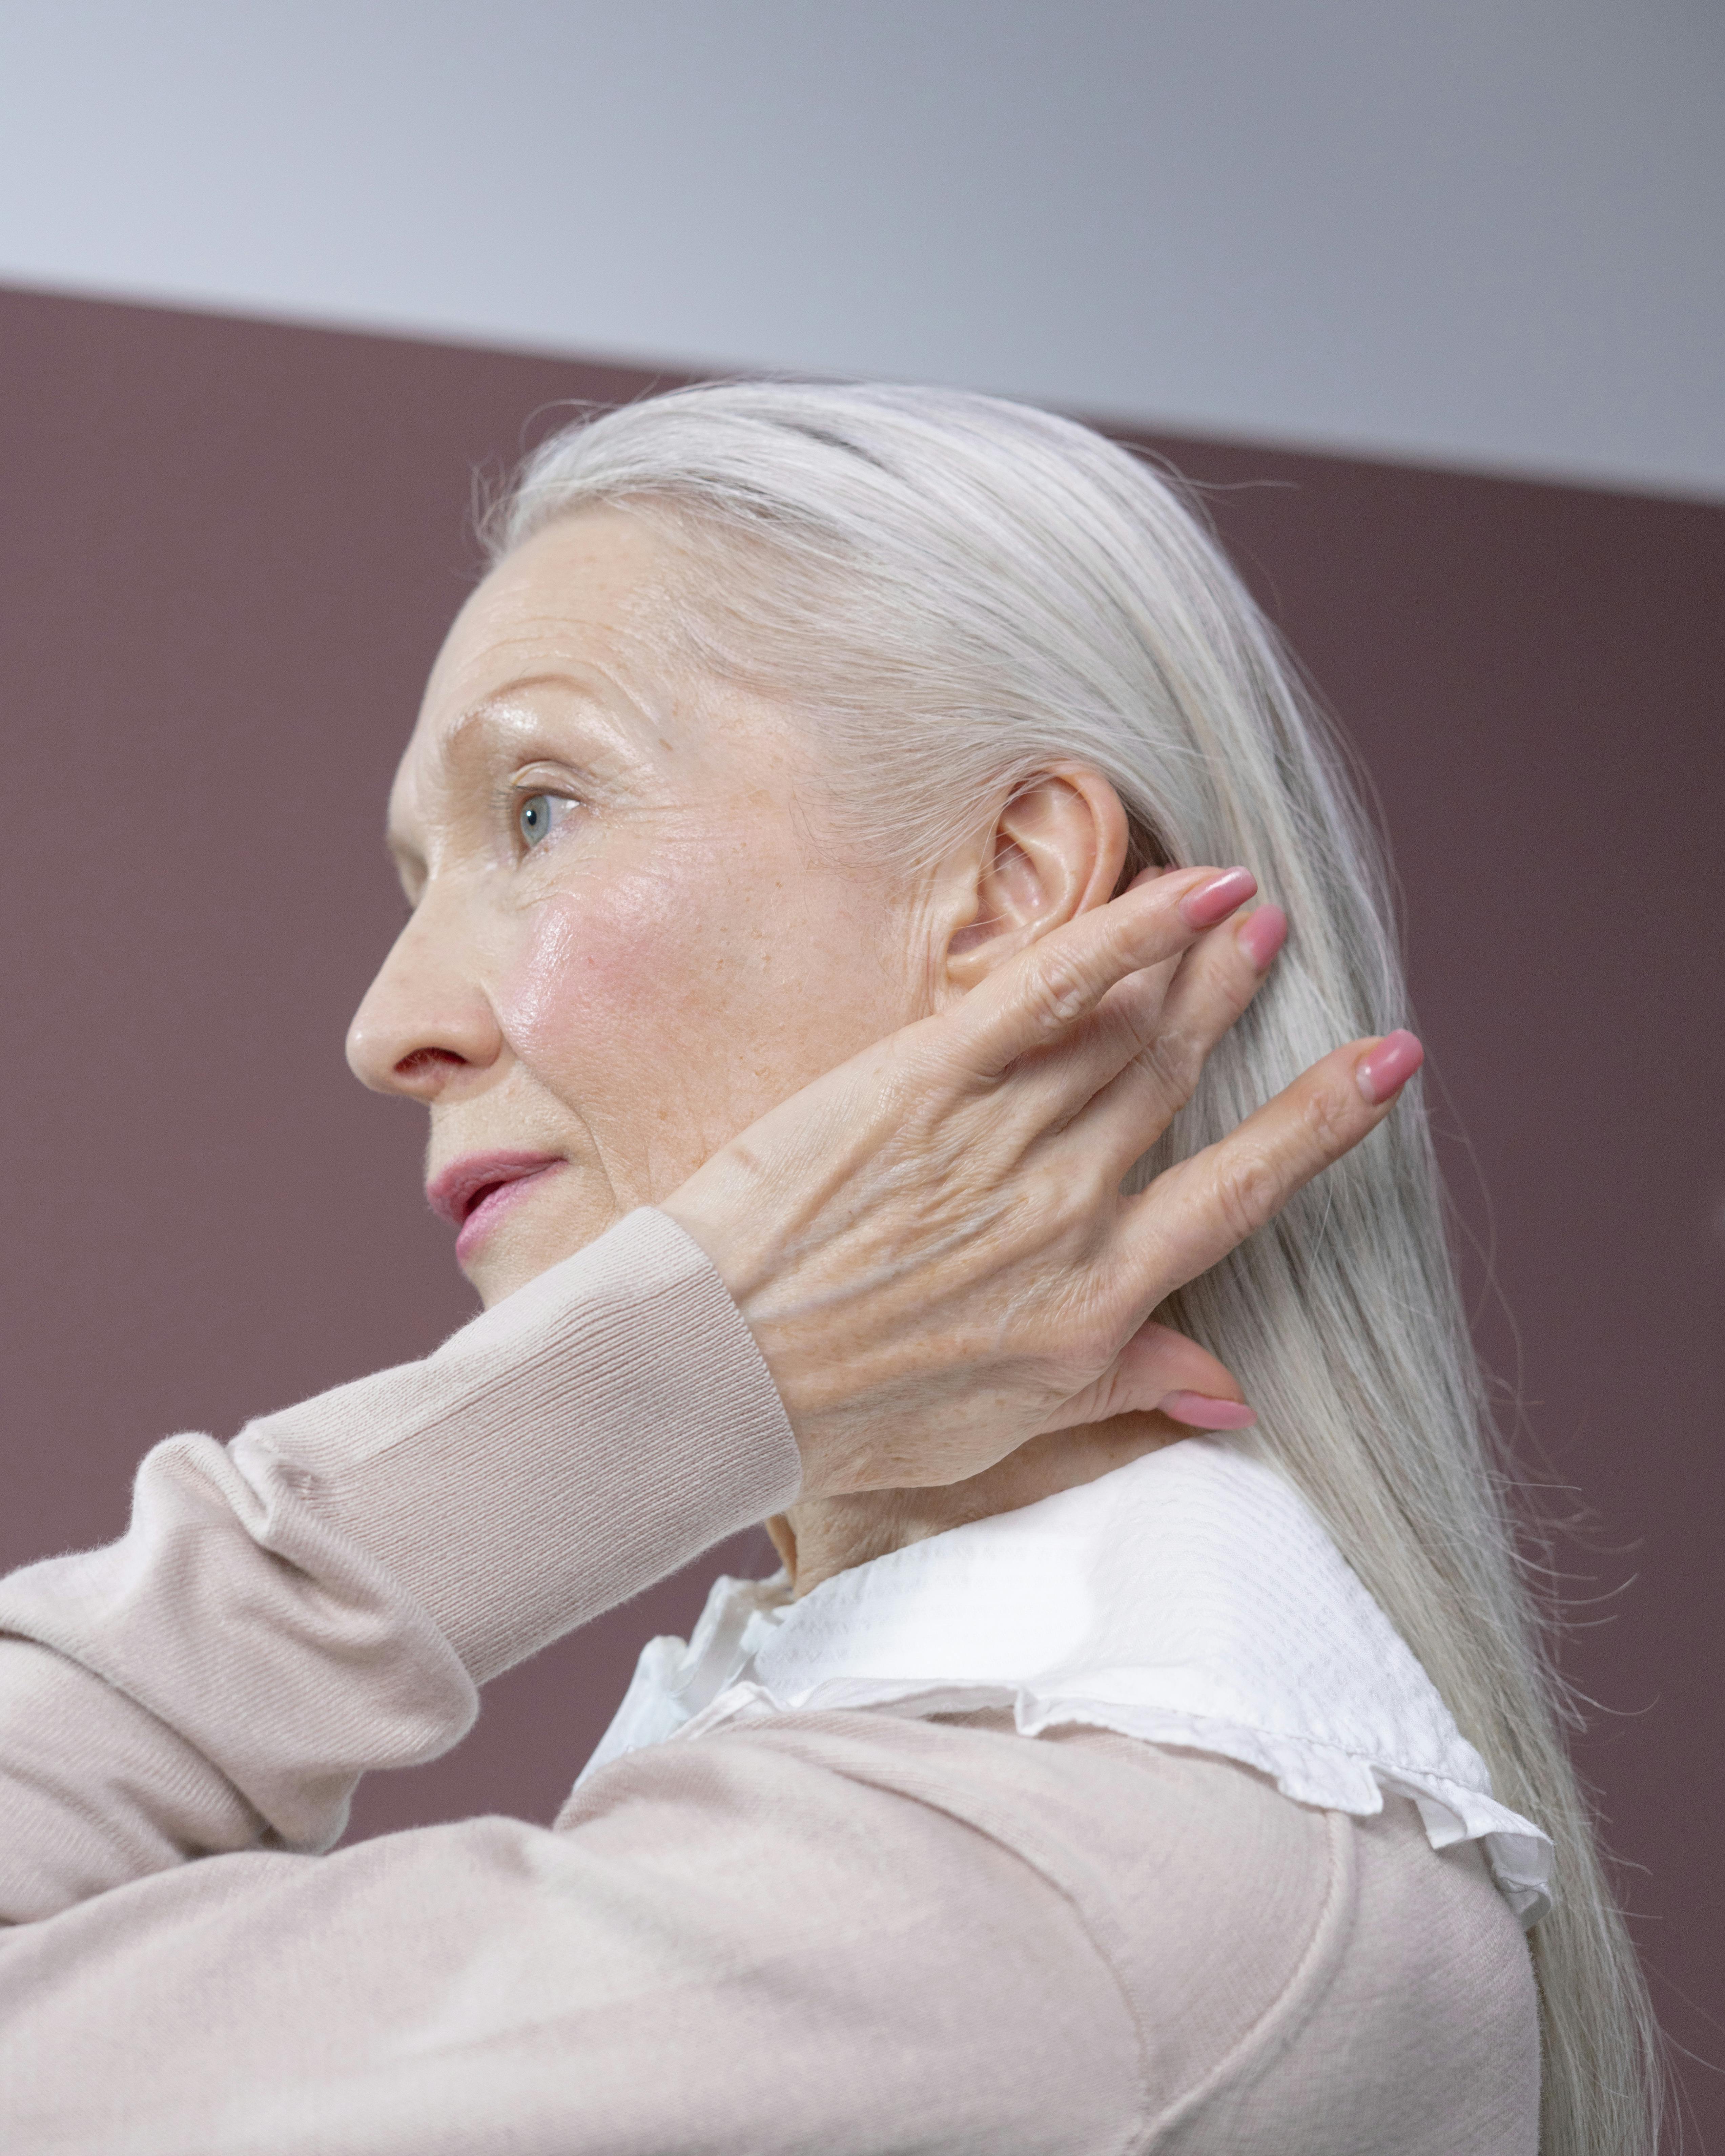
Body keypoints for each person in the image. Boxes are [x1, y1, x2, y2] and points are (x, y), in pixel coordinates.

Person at [0, 383, 1656, 2154]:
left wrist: (656, 1392)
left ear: (1012, 887)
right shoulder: (1061, 1855)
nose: (390, 1023)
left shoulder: (1066, 1916)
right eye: (420, 877)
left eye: (541, 813)